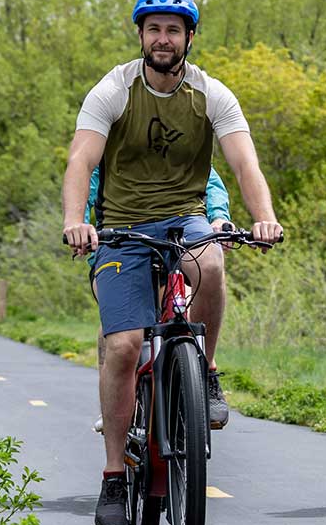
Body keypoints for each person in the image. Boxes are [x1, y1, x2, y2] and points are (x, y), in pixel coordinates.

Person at [63, 0, 284, 525]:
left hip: (185, 218)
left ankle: (204, 372)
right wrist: (76, 219)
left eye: (174, 30)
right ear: (141, 35)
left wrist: (264, 215)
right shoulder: (113, 89)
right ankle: (115, 473)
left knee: (211, 264)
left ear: (189, 37)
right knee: (124, 345)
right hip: (119, 228)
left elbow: (244, 164)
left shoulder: (213, 95)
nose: (164, 39)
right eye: (154, 29)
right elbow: (81, 158)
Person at [86, 167, 231, 433]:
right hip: (122, 246)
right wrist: (83, 228)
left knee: (194, 297)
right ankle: (112, 404)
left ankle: (205, 373)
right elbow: (85, 189)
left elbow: (209, 182)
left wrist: (219, 218)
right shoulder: (107, 149)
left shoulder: (179, 142)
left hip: (175, 246)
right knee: (116, 325)